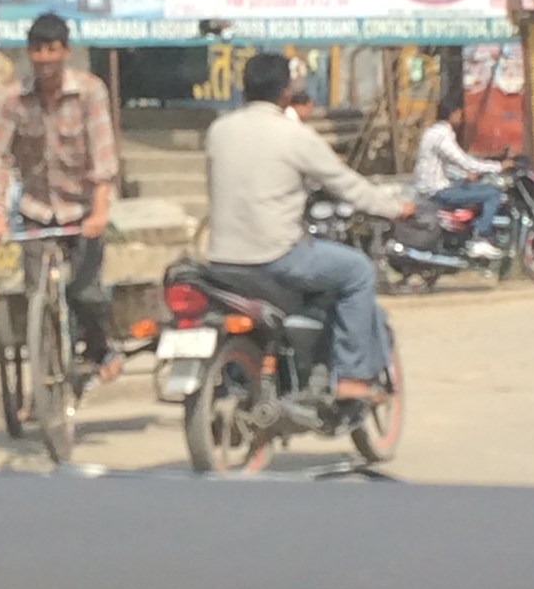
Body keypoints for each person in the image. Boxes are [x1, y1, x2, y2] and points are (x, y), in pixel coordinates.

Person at [207, 53, 416, 421]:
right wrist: (393, 208)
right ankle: (351, 377)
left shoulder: (218, 130)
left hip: (221, 260)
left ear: (245, 88)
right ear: (287, 92)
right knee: (358, 271)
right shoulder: (296, 136)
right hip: (274, 258)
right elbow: (346, 183)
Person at [0, 12, 123, 387]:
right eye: (37, 50)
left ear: (65, 51)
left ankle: (98, 348)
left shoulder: (90, 91)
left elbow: (103, 156)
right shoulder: (14, 99)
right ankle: (43, 389)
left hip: (81, 211)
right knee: (36, 299)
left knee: (86, 292)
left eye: (52, 49)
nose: (44, 58)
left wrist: (100, 210)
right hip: (37, 210)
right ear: (29, 53)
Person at [413, 95, 510, 261]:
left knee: (471, 186)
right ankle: (479, 237)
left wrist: (465, 175)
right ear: (453, 114)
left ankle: (469, 231)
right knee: (493, 193)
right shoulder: (442, 135)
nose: (461, 117)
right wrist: (499, 167)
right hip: (438, 190)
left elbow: (445, 164)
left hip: (433, 186)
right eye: (459, 113)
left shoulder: (433, 132)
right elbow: (464, 161)